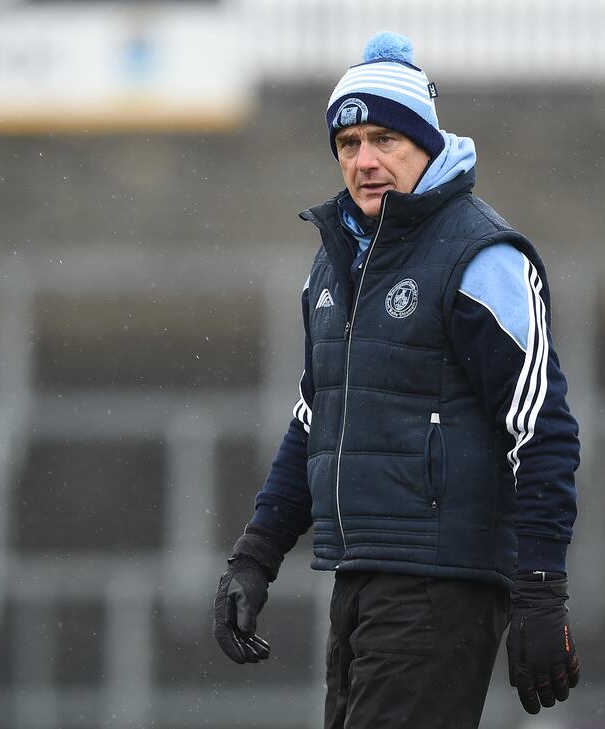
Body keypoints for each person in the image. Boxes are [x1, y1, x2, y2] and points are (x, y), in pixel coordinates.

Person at [213, 30, 582, 728]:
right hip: (361, 580)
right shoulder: (334, 266)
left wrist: (541, 587)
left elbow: (543, 429)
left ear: (427, 143)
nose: (366, 159)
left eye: (386, 138)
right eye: (349, 144)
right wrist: (254, 559)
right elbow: (313, 419)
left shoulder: (480, 257)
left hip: (440, 588)